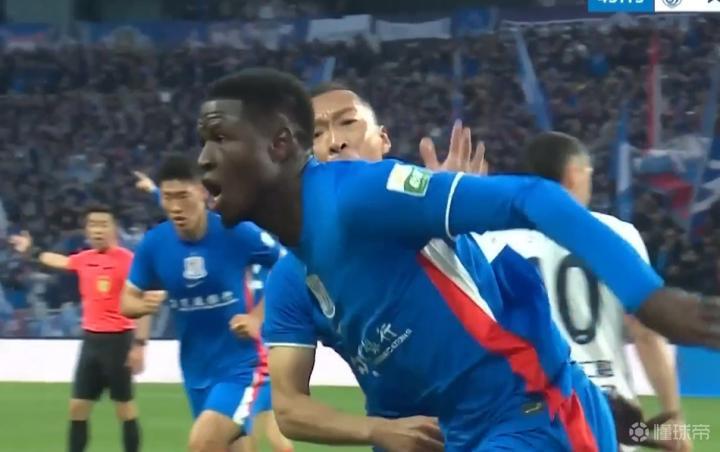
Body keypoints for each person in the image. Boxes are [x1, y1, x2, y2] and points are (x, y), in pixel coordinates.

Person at [196, 68, 720, 451]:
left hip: (529, 415)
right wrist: (377, 430)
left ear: (382, 139)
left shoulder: (370, 194)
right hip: (446, 434)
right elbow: (289, 406)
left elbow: (533, 198)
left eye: (348, 124)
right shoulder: (294, 276)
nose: (333, 142)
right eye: (317, 133)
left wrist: (649, 298)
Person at [475, 131, 691, 452]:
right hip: (606, 412)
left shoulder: (489, 242)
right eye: (589, 172)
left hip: (526, 414)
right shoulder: (616, 234)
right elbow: (646, 334)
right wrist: (673, 415)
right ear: (574, 174)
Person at [120, 154, 292, 452]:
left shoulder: (235, 231)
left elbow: (290, 266)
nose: (175, 207)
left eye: (183, 196)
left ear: (202, 191)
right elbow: (126, 301)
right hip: (195, 368)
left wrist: (257, 316)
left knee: (202, 443)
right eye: (168, 197)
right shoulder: (154, 244)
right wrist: (143, 306)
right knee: (232, 446)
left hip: (242, 364)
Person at [9, 204, 142, 452]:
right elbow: (59, 261)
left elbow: (143, 296)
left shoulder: (128, 260)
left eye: (103, 224)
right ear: (86, 230)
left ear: (113, 228)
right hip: (91, 341)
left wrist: (138, 345)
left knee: (124, 408)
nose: (98, 229)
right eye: (93, 224)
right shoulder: (84, 259)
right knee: (77, 407)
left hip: (119, 340)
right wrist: (32, 251)